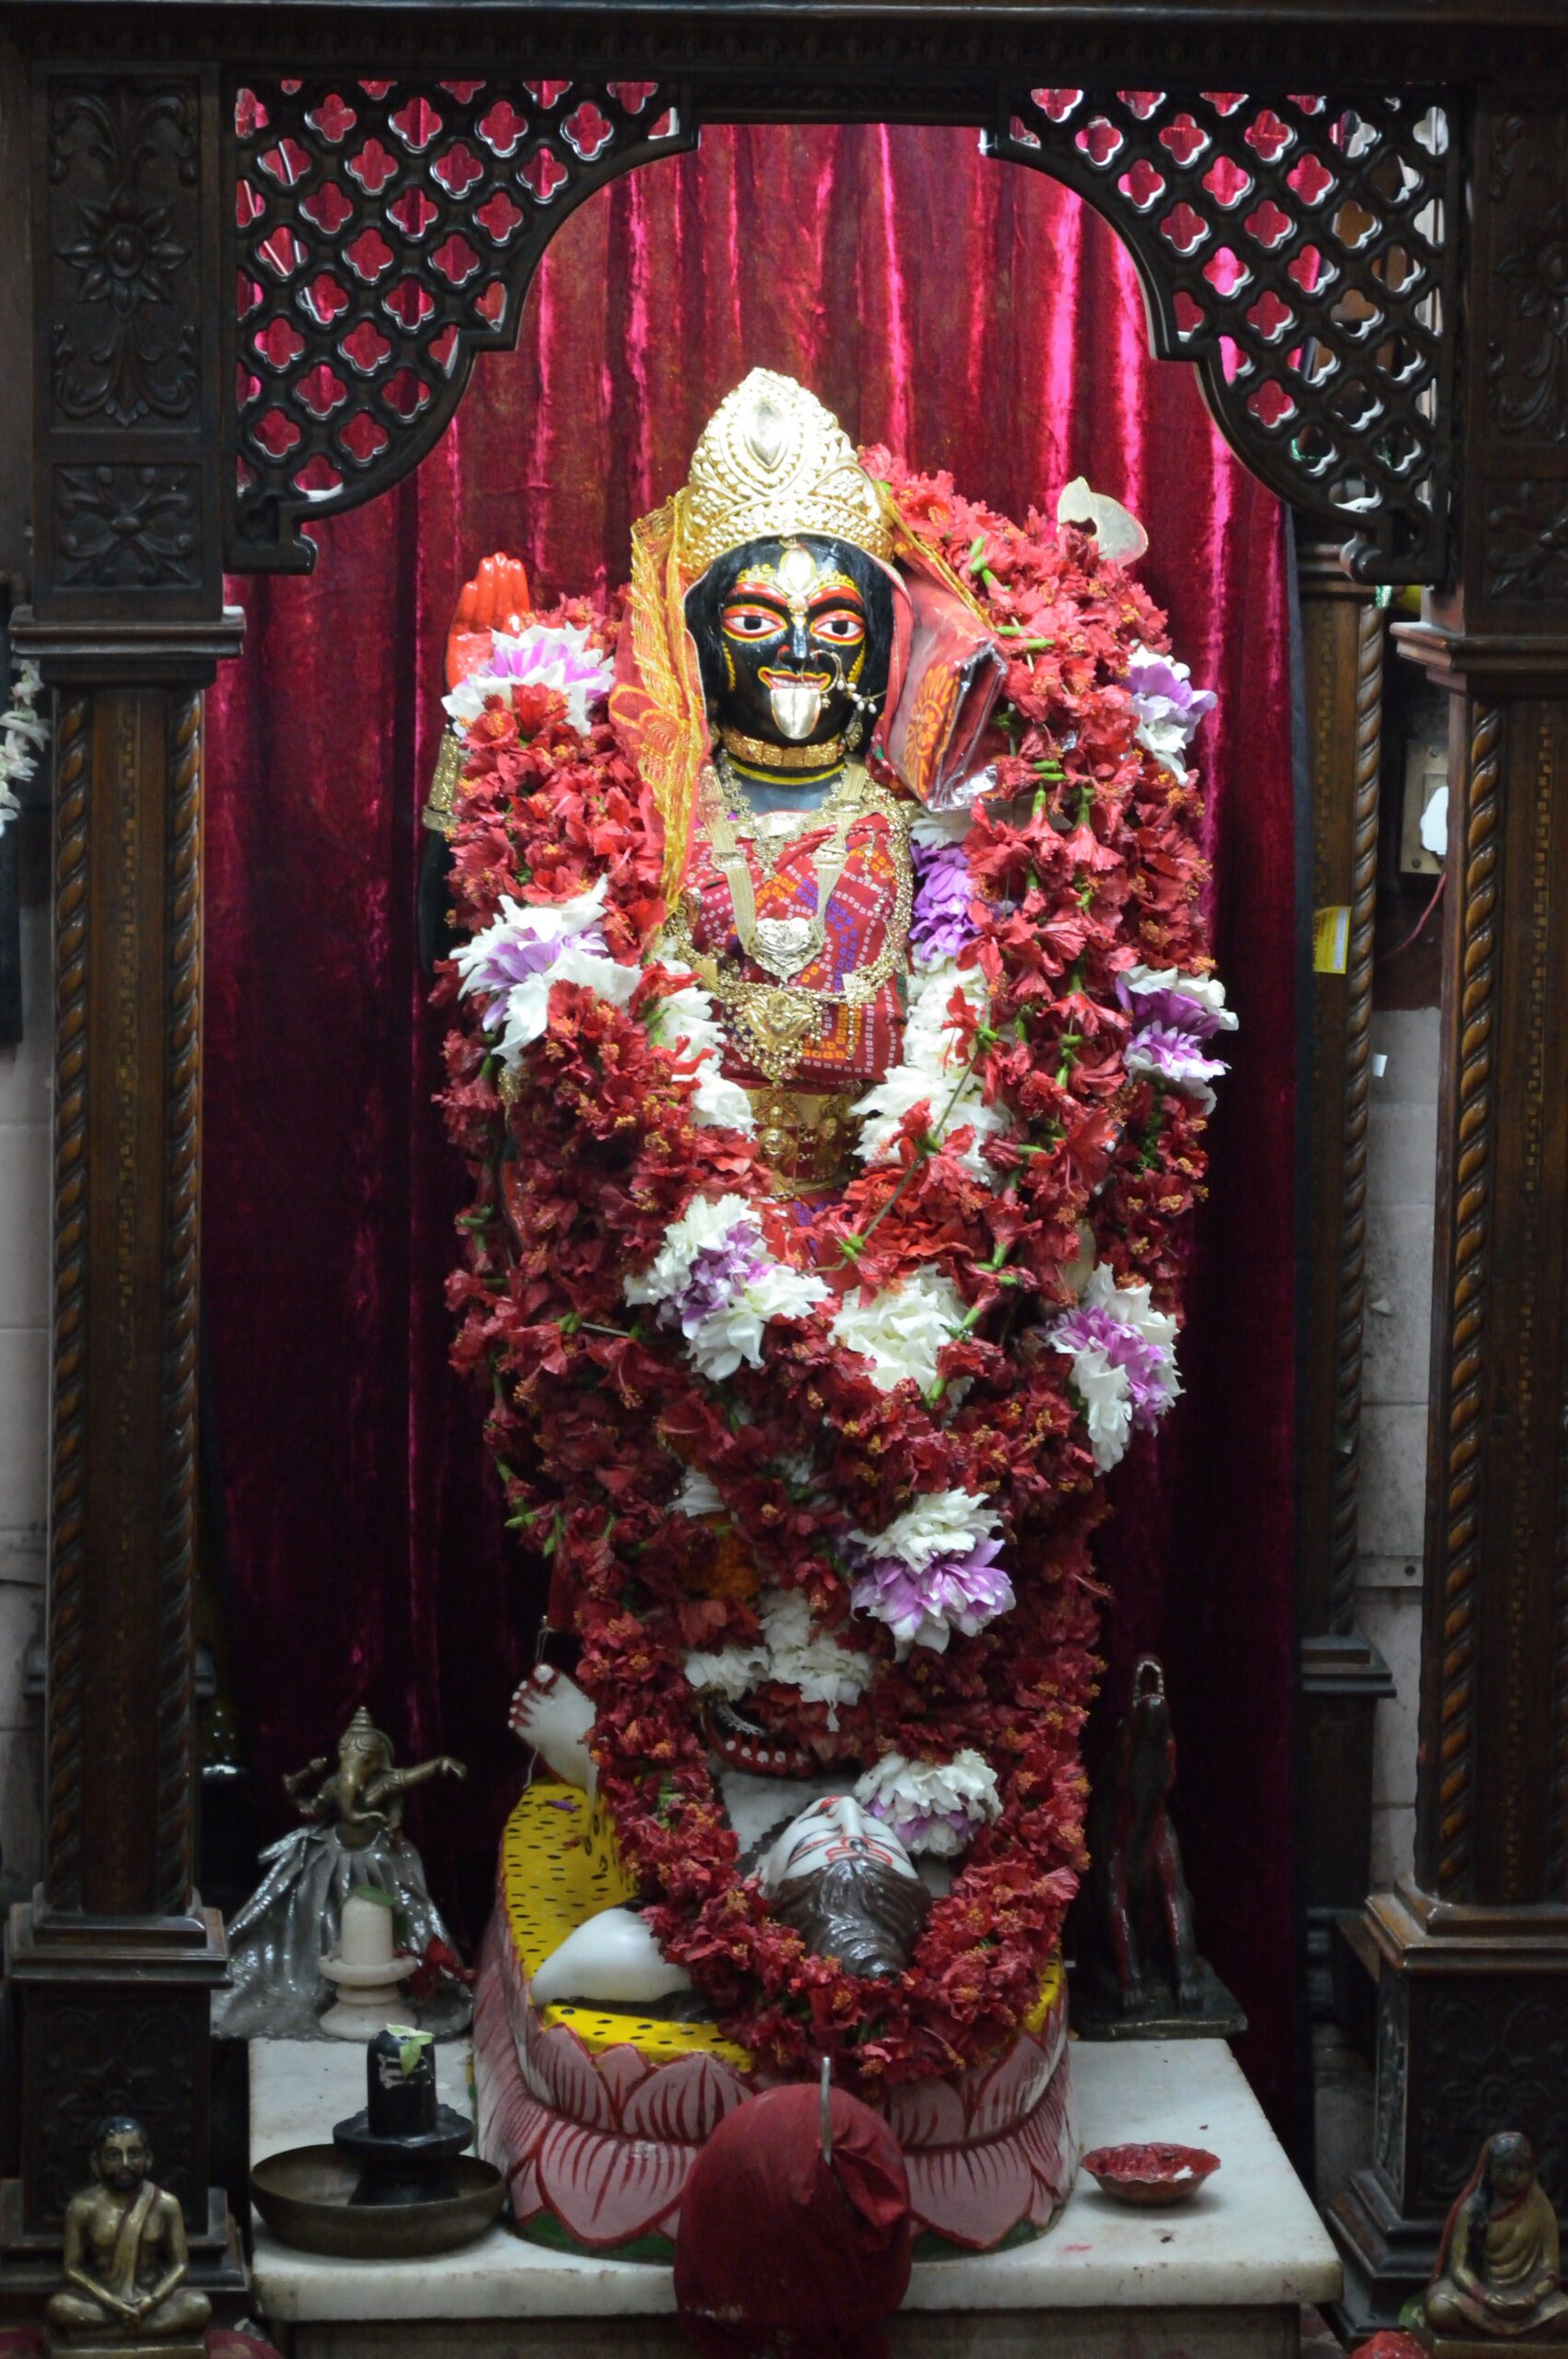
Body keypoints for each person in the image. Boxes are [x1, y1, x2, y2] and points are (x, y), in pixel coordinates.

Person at [214, 1706, 468, 2039]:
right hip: (332, 1857)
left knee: (389, 1915)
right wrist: (299, 1782)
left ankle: (388, 1978)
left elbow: (412, 1778)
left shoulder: (386, 1783)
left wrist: (438, 1764)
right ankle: (320, 1981)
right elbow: (311, 1809)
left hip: (375, 1860)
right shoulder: (336, 1785)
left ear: (376, 1760)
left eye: (362, 1761)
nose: (353, 1769)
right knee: (316, 1912)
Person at [47, 2117, 210, 2345]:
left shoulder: (166, 2204)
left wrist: (149, 2302)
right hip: (104, 2302)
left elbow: (180, 2266)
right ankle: (144, 2331)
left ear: (148, 2158)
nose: (125, 2163)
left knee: (198, 2306)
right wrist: (113, 2303)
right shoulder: (83, 2207)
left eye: (134, 2153)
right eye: (114, 2155)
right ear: (96, 2162)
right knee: (59, 2308)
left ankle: (101, 2335)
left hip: (150, 2299)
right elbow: (72, 2268)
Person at [1423, 2131, 1568, 2341]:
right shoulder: (1472, 2210)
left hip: (1528, 2305)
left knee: (1564, 2315)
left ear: (1531, 2170)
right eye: (1503, 2168)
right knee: (1441, 2308)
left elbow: (1550, 2268)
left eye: (1519, 2170)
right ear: (1488, 2170)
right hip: (1481, 2300)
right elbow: (1459, 2268)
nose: (1511, 2178)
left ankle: (1499, 2339)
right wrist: (1486, 2297)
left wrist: (1533, 2296)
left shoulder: (1541, 2210)